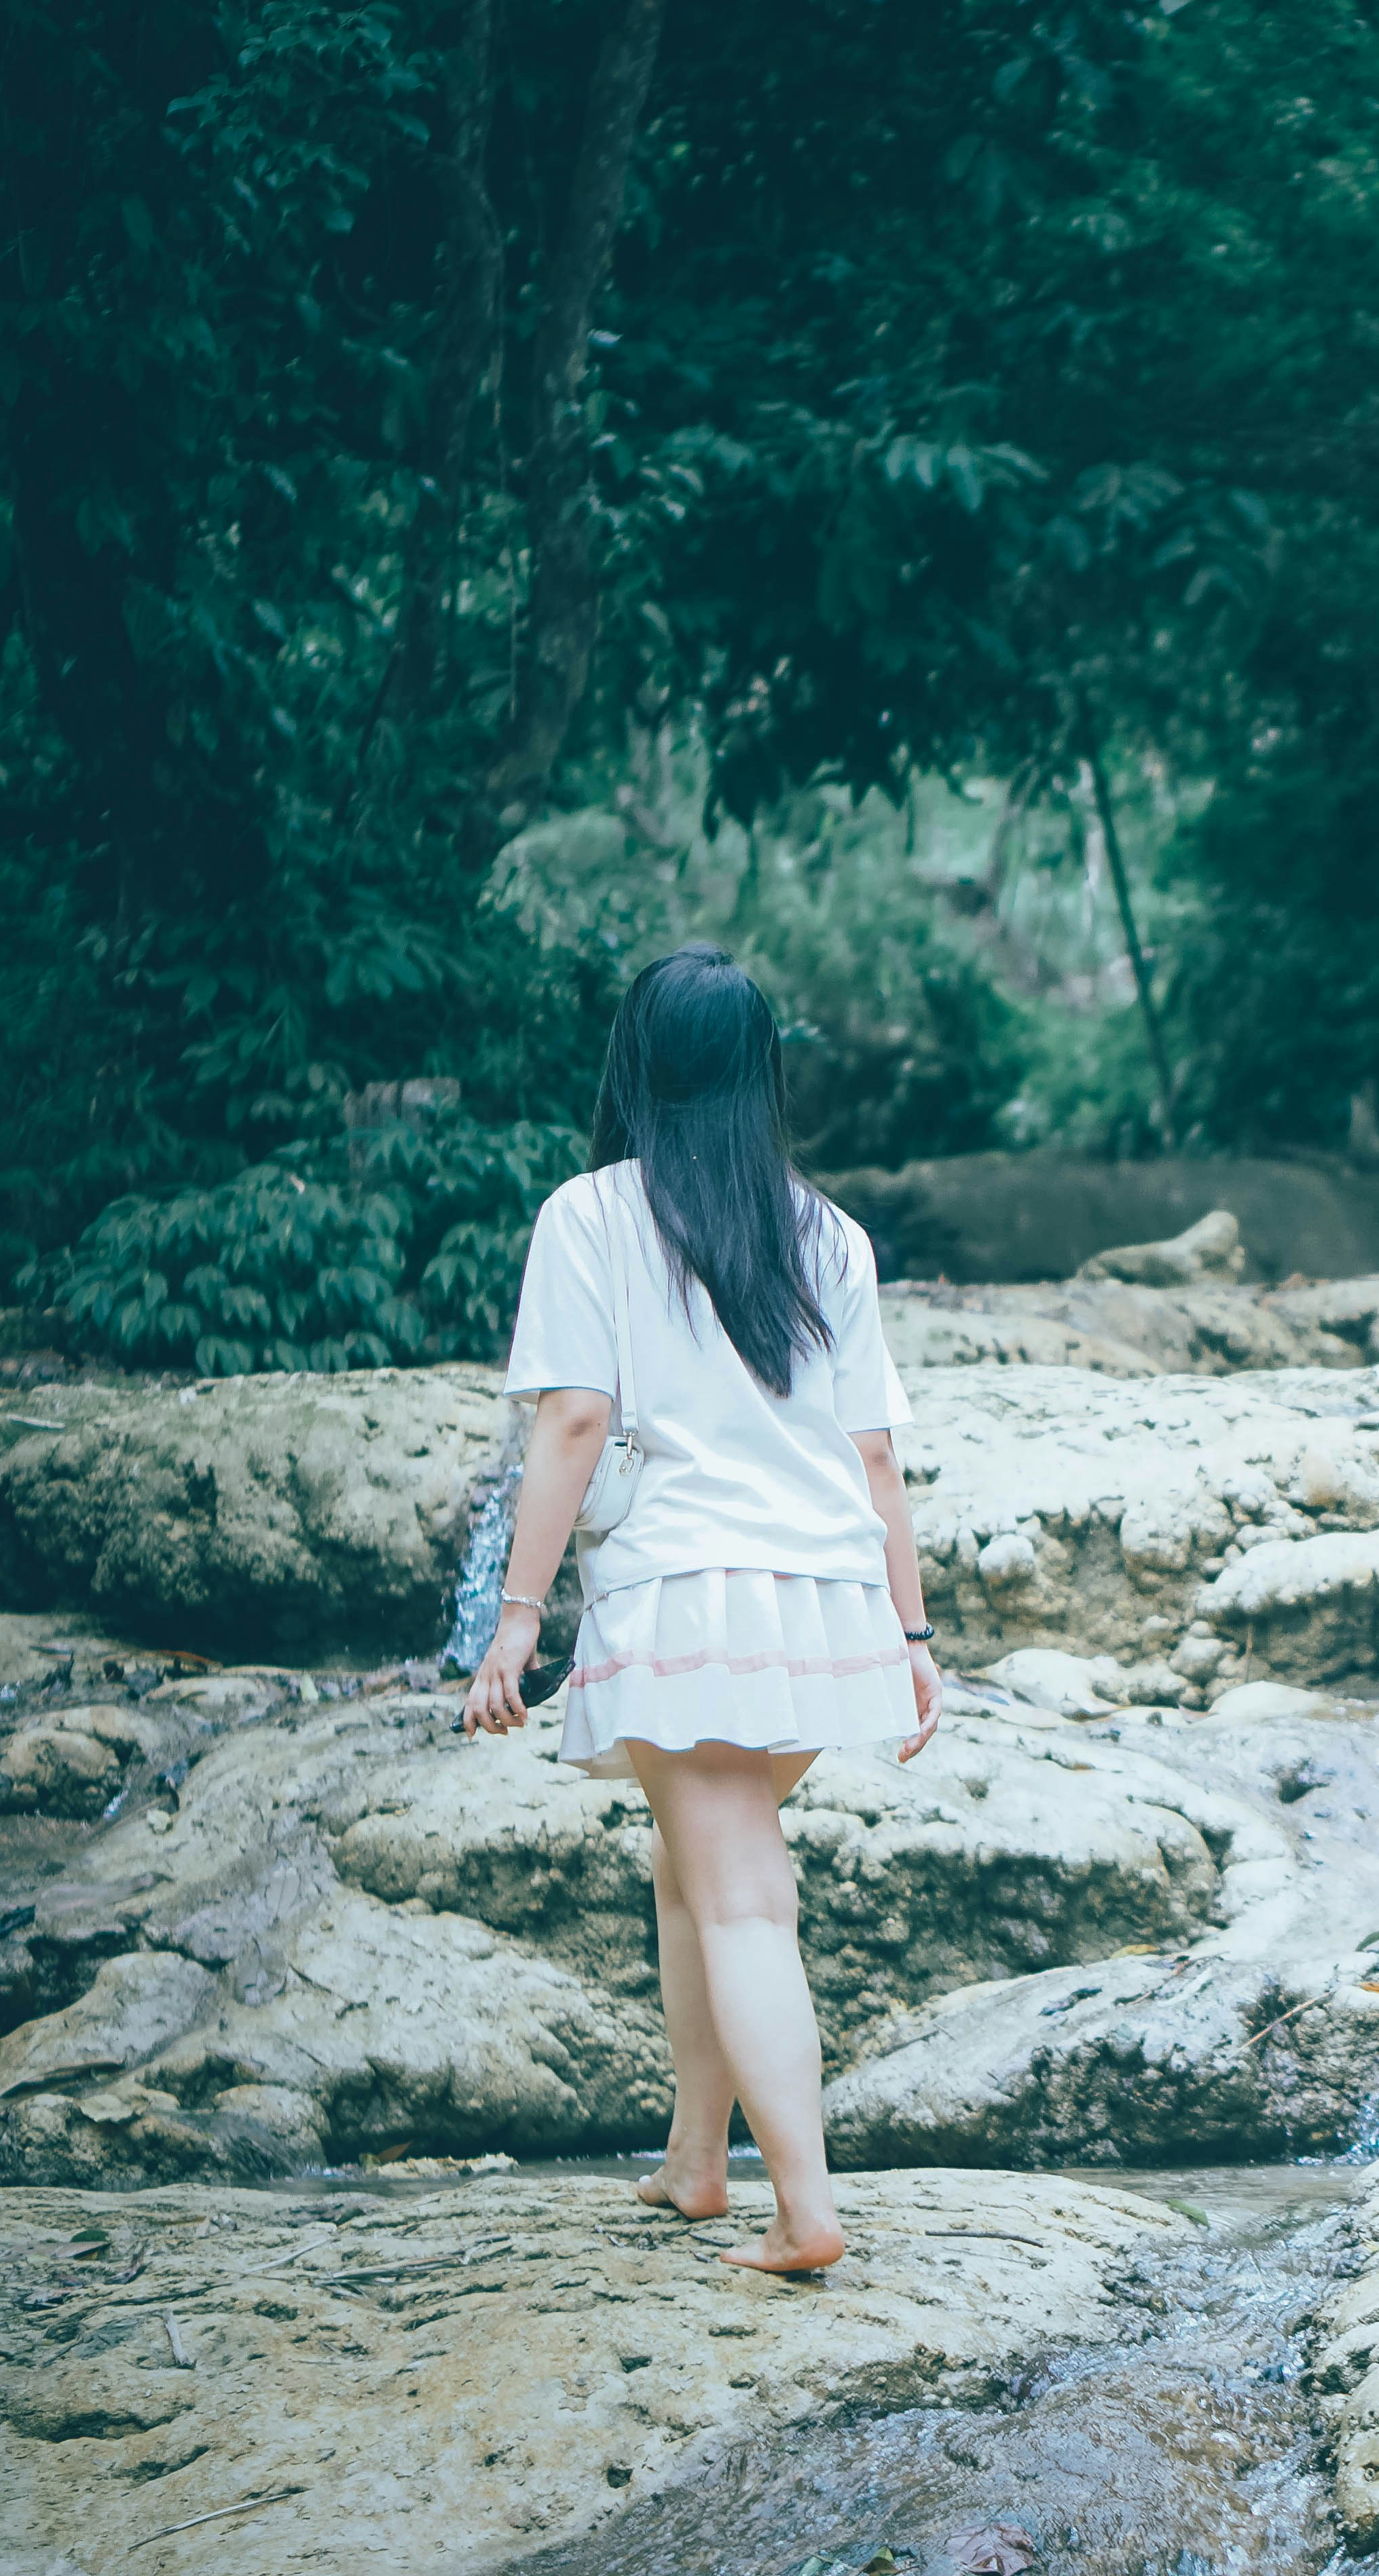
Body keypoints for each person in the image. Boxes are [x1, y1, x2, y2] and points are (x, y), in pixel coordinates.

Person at [461, 946, 938, 2277]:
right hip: (825, 1598)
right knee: (694, 1864)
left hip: (693, 1591)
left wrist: (517, 1616)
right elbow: (875, 1455)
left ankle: (804, 2203)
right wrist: (910, 1635)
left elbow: (573, 1417)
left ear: (638, 1066)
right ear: (759, 1071)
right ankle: (696, 2158)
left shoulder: (593, 1215)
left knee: (737, 1891)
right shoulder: (824, 1230)